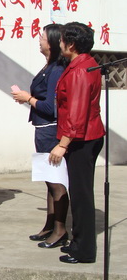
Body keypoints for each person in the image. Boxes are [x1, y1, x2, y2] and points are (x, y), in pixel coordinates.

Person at [48, 22, 105, 264]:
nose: (59, 44)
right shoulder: (80, 64)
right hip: (84, 136)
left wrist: (63, 143)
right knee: (80, 194)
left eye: (61, 40)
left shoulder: (81, 69)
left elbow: (77, 110)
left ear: (70, 43)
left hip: (82, 139)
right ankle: (78, 242)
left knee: (82, 196)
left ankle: (84, 251)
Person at [12, 24, 69, 248]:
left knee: (56, 183)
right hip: (42, 129)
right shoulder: (49, 66)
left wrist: (28, 98)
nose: (39, 39)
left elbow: (50, 107)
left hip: (51, 130)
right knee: (49, 181)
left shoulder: (56, 70)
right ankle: (49, 226)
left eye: (42, 37)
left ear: (52, 43)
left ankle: (60, 229)